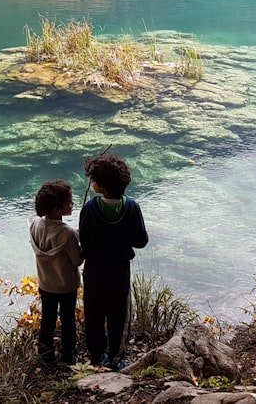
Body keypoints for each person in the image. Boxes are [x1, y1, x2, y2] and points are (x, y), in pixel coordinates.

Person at [78, 153, 149, 370]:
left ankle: (97, 355)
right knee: (119, 313)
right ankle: (117, 357)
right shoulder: (132, 208)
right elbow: (141, 241)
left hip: (94, 270)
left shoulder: (90, 208)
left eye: (93, 179)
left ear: (100, 185)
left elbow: (84, 239)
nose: (91, 182)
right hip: (120, 270)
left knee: (93, 312)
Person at [29, 179, 83, 366]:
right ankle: (68, 356)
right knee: (68, 321)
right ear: (57, 209)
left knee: (48, 320)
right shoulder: (67, 233)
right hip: (66, 286)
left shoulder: (35, 224)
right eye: (69, 202)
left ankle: (45, 356)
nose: (72, 204)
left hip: (46, 284)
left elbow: (53, 233)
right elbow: (77, 260)